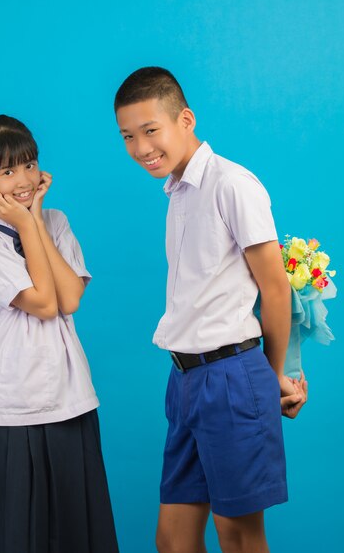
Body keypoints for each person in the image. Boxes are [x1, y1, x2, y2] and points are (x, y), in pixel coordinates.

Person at [114, 67, 308, 553]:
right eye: (128, 137)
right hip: (185, 381)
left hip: (231, 379)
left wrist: (272, 375)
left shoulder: (231, 184)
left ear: (185, 119)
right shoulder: (177, 192)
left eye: (150, 131)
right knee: (173, 540)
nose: (141, 148)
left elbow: (275, 289)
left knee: (238, 537)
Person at [0, 115, 119, 553]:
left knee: (76, 534)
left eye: (29, 165)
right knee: (17, 536)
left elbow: (69, 300)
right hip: (14, 406)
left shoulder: (57, 220)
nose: (24, 180)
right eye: (7, 171)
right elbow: (43, 303)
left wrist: (37, 221)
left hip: (72, 396)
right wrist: (28, 225)